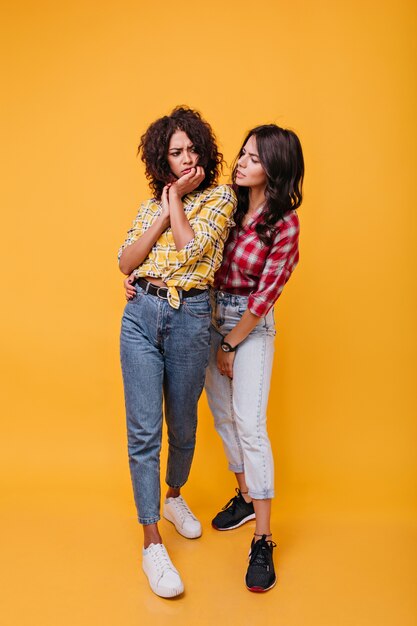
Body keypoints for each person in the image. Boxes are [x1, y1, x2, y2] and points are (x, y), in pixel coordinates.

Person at [118, 106, 236, 598]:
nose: (186, 158)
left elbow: (190, 252)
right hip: (141, 314)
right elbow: (126, 259)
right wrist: (165, 208)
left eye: (191, 149)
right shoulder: (151, 205)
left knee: (182, 425)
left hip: (189, 320)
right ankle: (151, 543)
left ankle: (173, 497)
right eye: (175, 152)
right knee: (144, 431)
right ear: (161, 160)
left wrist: (181, 202)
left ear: (203, 151)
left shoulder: (222, 198)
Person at [205, 124, 304, 592]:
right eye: (242, 154)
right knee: (223, 418)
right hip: (207, 317)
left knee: (249, 424)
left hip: (250, 326)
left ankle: (263, 538)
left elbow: (264, 297)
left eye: (254, 158)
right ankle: (245, 495)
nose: (240, 163)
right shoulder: (225, 206)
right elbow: (187, 253)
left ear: (276, 170)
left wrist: (229, 345)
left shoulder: (284, 224)